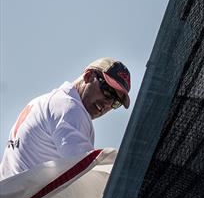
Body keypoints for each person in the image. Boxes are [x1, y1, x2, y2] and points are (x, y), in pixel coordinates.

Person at [0, 57, 131, 179]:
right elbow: (86, 175)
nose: (108, 104)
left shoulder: (44, 102)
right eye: (107, 91)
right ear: (88, 76)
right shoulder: (70, 109)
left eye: (116, 102)